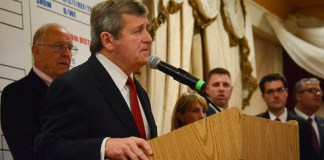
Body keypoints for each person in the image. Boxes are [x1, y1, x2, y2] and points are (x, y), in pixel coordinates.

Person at [34, 0, 157, 160]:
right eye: (138, 30)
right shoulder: (73, 85)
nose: (148, 38)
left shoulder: (138, 91)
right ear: (108, 40)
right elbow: (47, 148)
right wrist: (104, 146)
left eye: (147, 29)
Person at [0, 23, 75, 160]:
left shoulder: (75, 94)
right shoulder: (16, 94)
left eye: (69, 48)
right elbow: (28, 152)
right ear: (36, 52)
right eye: (58, 46)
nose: (67, 54)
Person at [256, 73, 316, 160]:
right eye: (270, 92)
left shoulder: (303, 125)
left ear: (286, 92)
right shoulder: (255, 124)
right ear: (263, 97)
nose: (276, 95)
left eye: (280, 90)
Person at [292, 77, 324, 160]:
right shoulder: (286, 122)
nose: (317, 94)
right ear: (298, 96)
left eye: (319, 91)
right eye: (312, 91)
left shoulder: (322, 123)